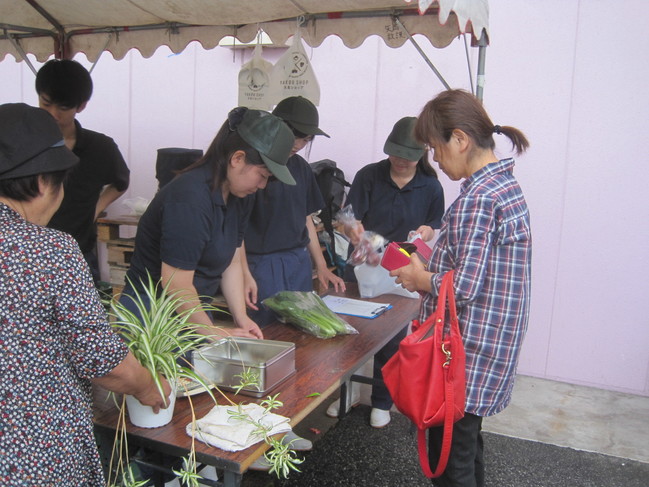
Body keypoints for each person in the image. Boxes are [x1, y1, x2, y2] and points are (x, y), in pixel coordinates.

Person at [0, 103, 169, 486]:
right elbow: (103, 361)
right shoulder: (49, 250)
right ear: (44, 182)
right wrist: (147, 385)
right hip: (32, 454)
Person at [391, 89, 532, 487]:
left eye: (436, 149)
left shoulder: (478, 199)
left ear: (460, 139)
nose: (435, 160)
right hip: (490, 344)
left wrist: (419, 278)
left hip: (465, 351)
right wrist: (427, 261)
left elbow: (466, 285)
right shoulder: (503, 187)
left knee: (450, 460)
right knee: (466, 447)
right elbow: (474, 267)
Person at [121, 107, 295, 342]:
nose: (263, 185)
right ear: (237, 158)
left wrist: (240, 317)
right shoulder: (190, 199)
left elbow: (231, 260)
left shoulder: (239, 196)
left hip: (194, 308)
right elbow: (176, 284)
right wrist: (212, 332)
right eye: (262, 175)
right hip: (153, 315)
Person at [327, 116, 445, 428]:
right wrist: (354, 230)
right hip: (367, 264)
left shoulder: (431, 186)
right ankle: (346, 392)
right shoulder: (370, 175)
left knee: (392, 336)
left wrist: (426, 233)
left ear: (422, 155)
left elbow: (435, 225)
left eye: (408, 156)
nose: (400, 161)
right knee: (352, 331)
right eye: (395, 154)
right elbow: (344, 217)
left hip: (405, 268)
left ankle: (382, 401)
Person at [244, 96, 345, 328]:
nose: (298, 143)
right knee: (267, 333)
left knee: (303, 329)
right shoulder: (254, 165)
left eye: (306, 138)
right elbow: (235, 230)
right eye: (294, 135)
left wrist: (320, 266)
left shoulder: (301, 168)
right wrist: (242, 272)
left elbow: (305, 217)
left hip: (297, 262)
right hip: (260, 265)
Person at [36, 59, 130, 285]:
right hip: (27, 255)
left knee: (82, 320)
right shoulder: (23, 143)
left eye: (63, 108)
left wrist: (96, 207)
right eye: (46, 103)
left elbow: (121, 181)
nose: (53, 114)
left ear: (81, 106)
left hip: (78, 254)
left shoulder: (100, 147)